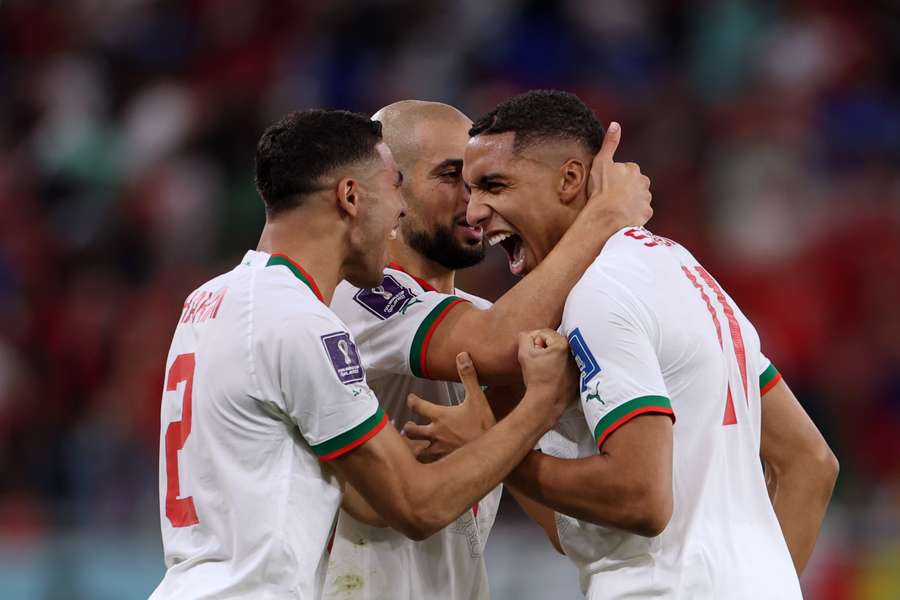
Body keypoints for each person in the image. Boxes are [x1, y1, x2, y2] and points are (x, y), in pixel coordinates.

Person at [416, 90, 839, 599]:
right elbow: (811, 463)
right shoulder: (688, 273)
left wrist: (491, 452)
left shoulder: (599, 293)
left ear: (569, 179)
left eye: (495, 185)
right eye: (468, 188)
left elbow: (641, 497)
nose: (475, 211)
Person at [149, 108, 577, 600]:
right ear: (350, 196)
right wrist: (603, 219)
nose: (396, 213)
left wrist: (493, 442)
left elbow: (365, 496)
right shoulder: (314, 318)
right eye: (395, 184)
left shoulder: (212, 299)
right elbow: (413, 504)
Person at [324, 100, 651, 599]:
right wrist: (603, 217)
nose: (474, 201)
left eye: (482, 180)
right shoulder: (356, 297)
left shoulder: (483, 318)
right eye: (452, 176)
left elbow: (561, 527)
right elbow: (493, 345)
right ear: (389, 186)